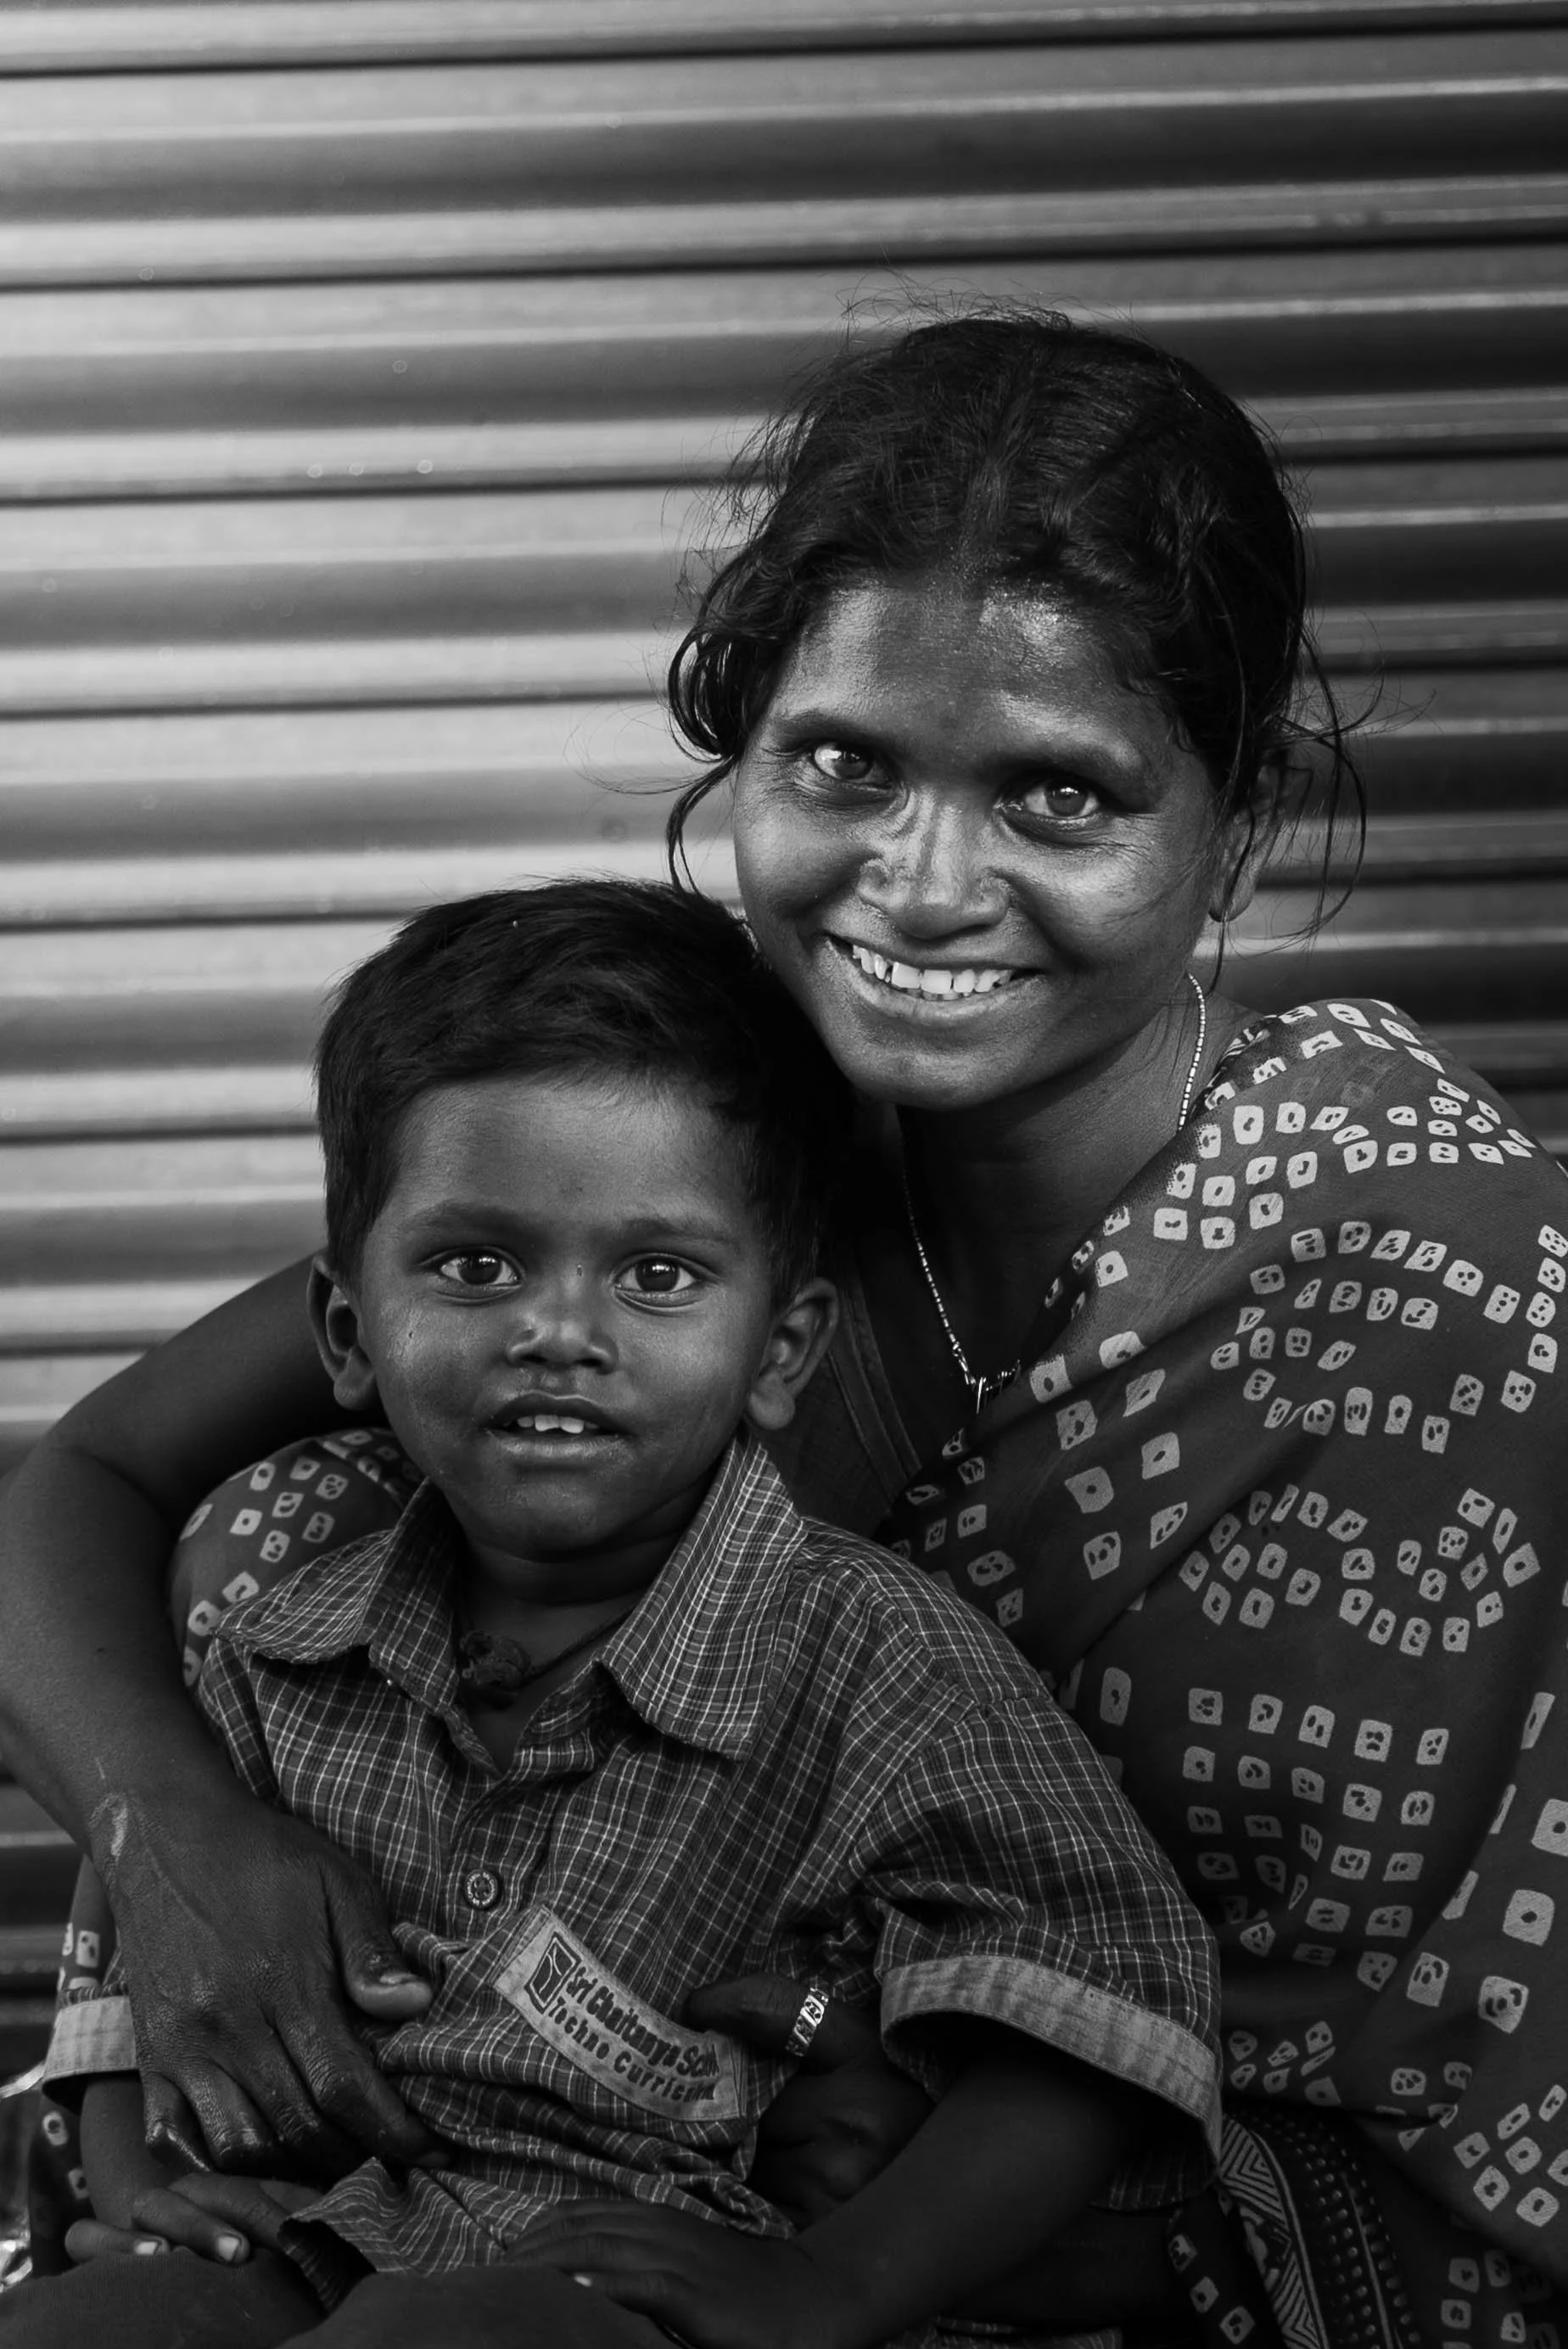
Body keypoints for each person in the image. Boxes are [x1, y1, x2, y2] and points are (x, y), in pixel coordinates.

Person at [2, 306, 1566, 2348]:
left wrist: (847, 2179)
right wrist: (184, 1840)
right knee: (292, 1533)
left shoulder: (1440, 1289)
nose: (920, 886)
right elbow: (90, 1485)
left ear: (1237, 820)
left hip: (1115, 2232)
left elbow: (1424, 2052)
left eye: (1060, 797)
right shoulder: (684, 1143)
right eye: (844, 765)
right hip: (480, 2152)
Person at [6, 880, 1218, 2349]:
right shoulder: (274, 1642)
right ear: (347, 1331)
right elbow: (140, 1981)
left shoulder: (878, 1664)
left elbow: (1104, 1994)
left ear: (783, 1351)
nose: (559, 1331)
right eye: (476, 1264)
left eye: (656, 1275)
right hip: (323, 2238)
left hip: (640, 2275)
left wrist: (842, 2283)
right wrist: (150, 2193)